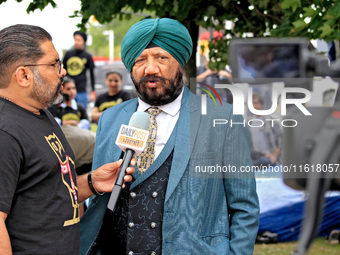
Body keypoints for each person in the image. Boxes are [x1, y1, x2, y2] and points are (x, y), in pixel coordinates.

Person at [80, 18, 259, 255]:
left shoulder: (223, 119)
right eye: (140, 59)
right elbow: (99, 202)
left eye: (161, 58)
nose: (150, 68)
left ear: (180, 63)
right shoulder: (110, 118)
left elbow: (244, 208)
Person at [0, 24, 135, 255]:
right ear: (23, 75)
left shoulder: (41, 113)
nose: (62, 71)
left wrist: (92, 182)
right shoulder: (5, 132)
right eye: (54, 64)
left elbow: (48, 192)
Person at [63, 31, 96, 109]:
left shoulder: (87, 56)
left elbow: (92, 75)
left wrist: (93, 91)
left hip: (81, 90)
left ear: (84, 41)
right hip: (67, 89)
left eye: (79, 40)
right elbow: (63, 71)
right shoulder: (68, 54)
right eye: (75, 40)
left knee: (81, 111)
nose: (76, 42)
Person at [248, 93, 282, 167]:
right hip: (255, 155)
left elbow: (281, 140)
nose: (254, 106)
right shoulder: (249, 121)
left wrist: (274, 156)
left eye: (256, 103)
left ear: (262, 104)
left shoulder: (270, 120)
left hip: (268, 157)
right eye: (252, 104)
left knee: (263, 161)